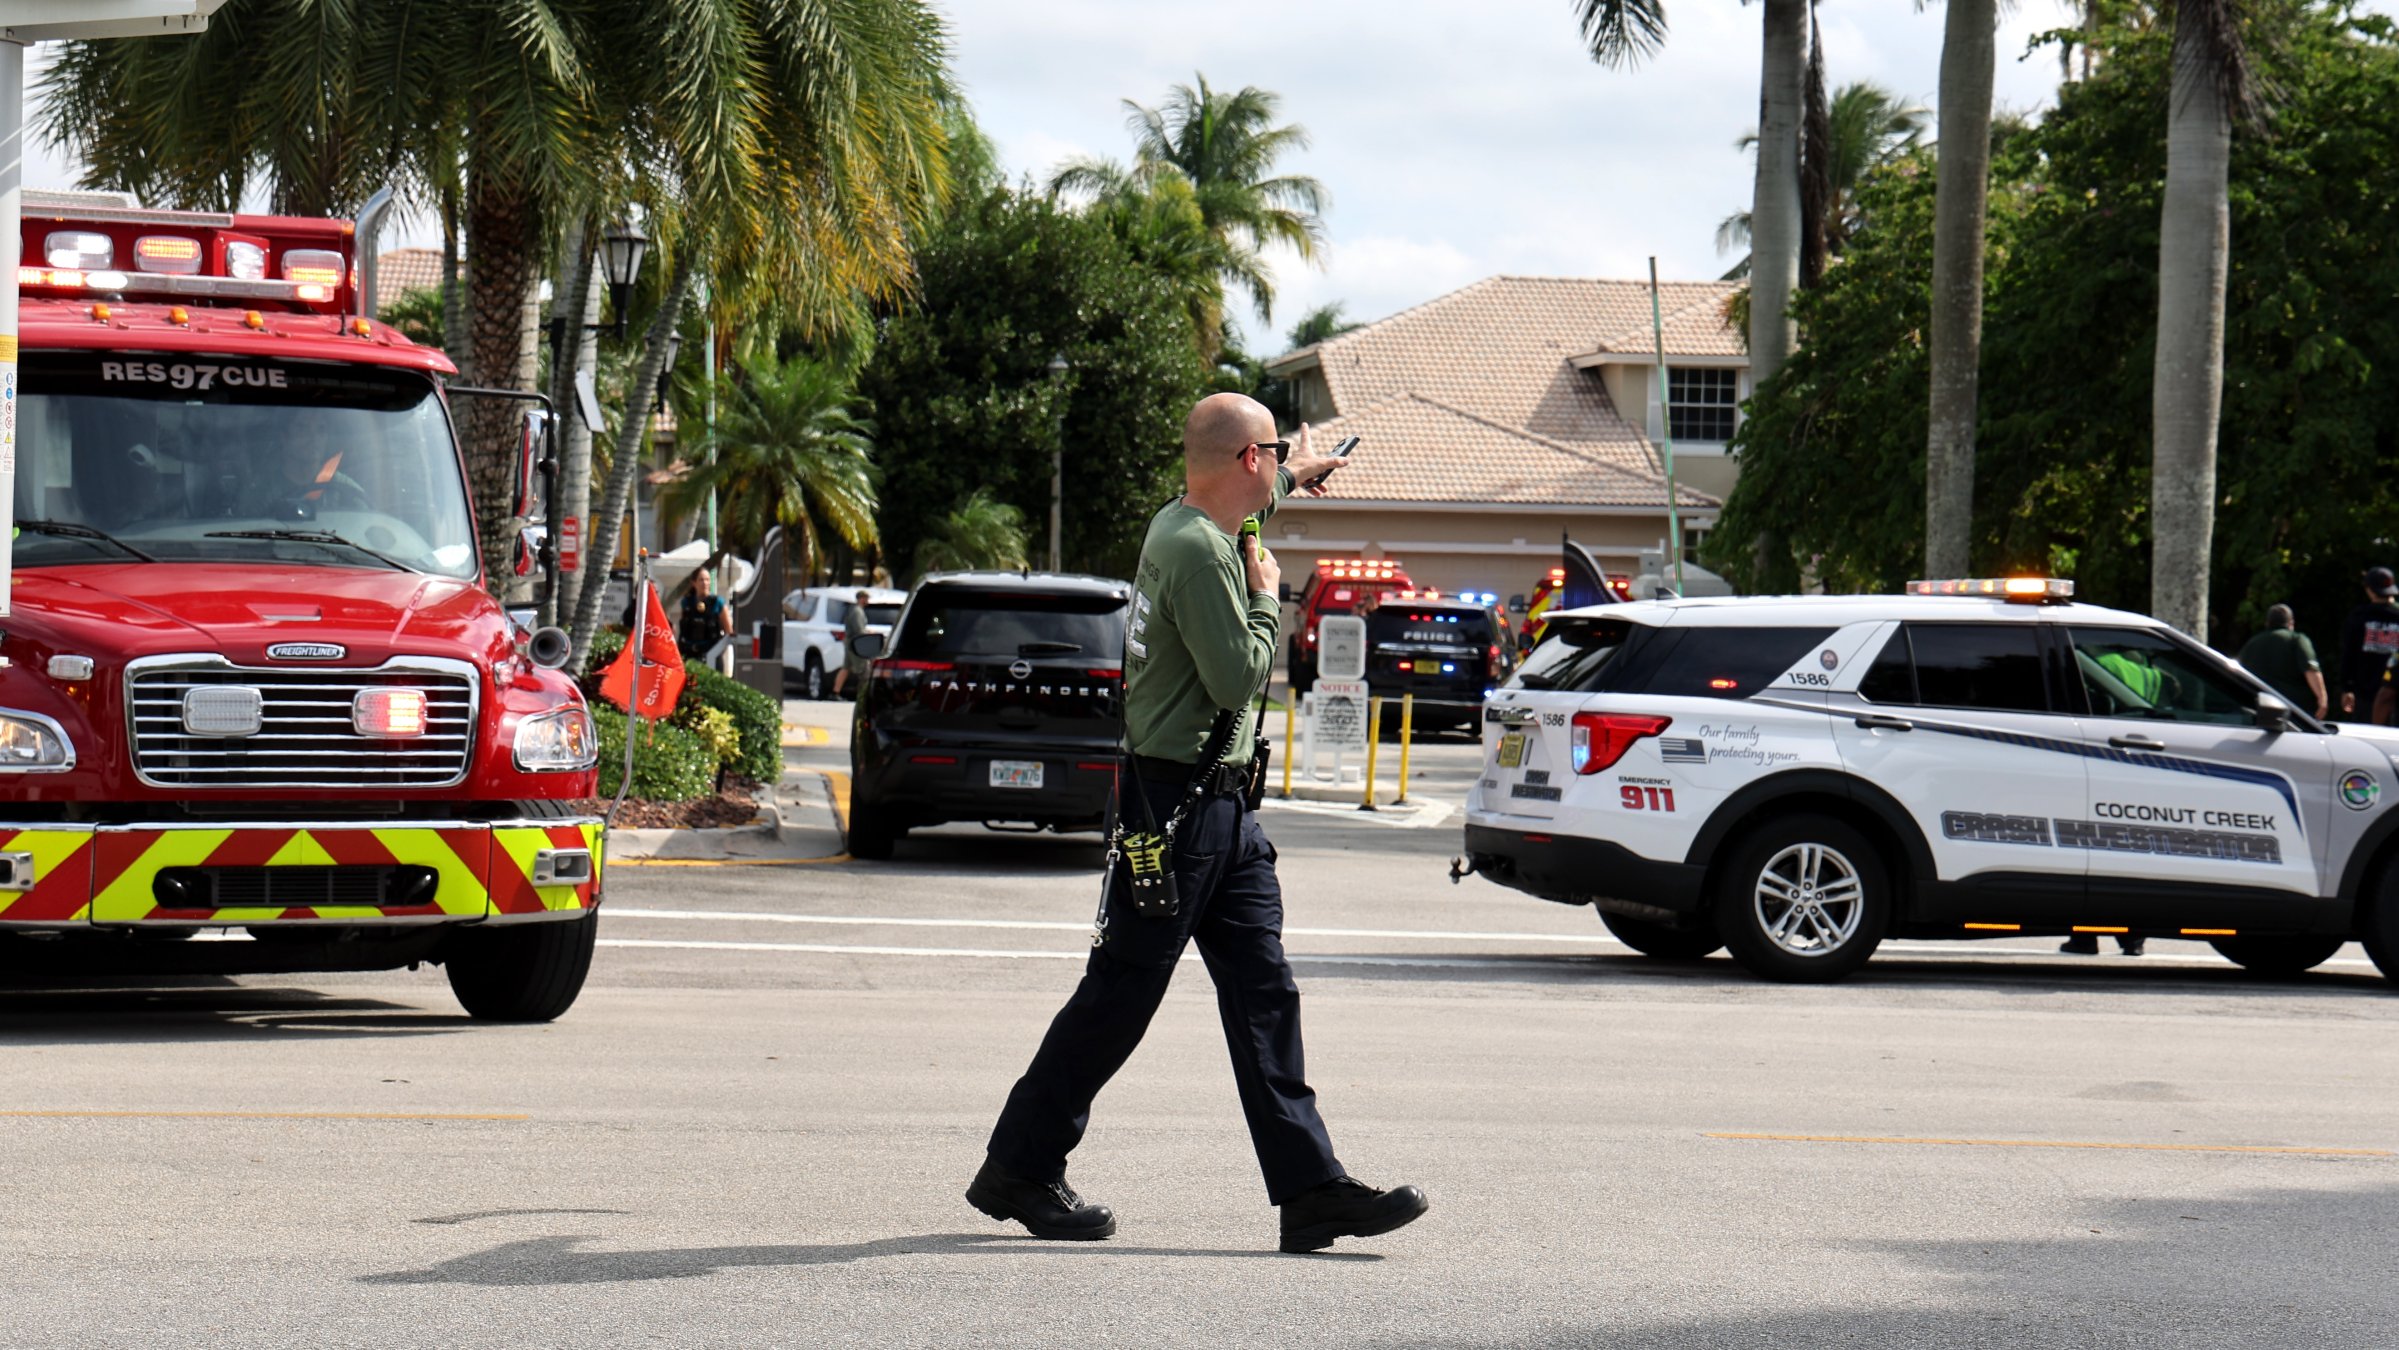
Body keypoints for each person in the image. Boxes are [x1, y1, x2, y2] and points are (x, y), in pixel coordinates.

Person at [969, 393, 1429, 1255]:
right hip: (1179, 803)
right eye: (1277, 453)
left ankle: (1311, 1191)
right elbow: (1234, 678)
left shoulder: (1192, 519)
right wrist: (1269, 601)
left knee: (1263, 992)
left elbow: (1254, 494)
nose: (1282, 466)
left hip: (1220, 806)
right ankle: (1018, 1167)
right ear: (1246, 460)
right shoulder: (1203, 554)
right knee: (1120, 995)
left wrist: (1301, 473)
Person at [2237, 604, 2327, 720]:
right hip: (2294, 712)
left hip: (2260, 710)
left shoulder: (2251, 644)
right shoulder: (2297, 640)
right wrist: (2322, 698)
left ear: (2267, 623)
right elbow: (2311, 670)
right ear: (2291, 623)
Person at [2336, 567, 2399, 720]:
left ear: (2369, 590)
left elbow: (2348, 654)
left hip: (2364, 695)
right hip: (2396, 695)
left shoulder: (2359, 617)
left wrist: (2347, 687)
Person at [677, 567, 733, 659]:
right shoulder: (686, 603)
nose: (705, 583)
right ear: (694, 583)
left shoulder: (718, 602)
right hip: (690, 654)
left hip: (712, 654)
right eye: (701, 580)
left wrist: (719, 651)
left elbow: (729, 632)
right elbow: (683, 628)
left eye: (707, 580)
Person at [831, 589, 872, 699]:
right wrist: (870, 634)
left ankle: (836, 692)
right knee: (864, 669)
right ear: (861, 598)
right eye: (866, 598)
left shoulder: (854, 609)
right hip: (856, 644)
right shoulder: (857, 611)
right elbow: (859, 630)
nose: (868, 600)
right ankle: (862, 695)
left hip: (850, 643)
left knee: (846, 668)